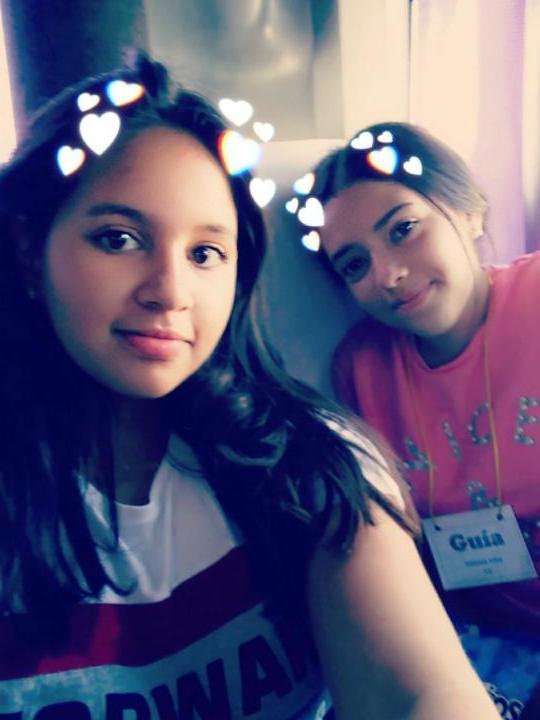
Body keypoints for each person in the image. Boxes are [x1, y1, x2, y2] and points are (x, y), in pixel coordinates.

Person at [0, 55, 498, 719]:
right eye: (118, 239)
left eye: (205, 253)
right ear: (29, 252)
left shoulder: (311, 461)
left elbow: (417, 693)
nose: (171, 291)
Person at [295, 121, 540, 715]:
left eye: (403, 230)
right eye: (355, 265)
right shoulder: (362, 371)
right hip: (482, 649)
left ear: (467, 211)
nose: (387, 275)